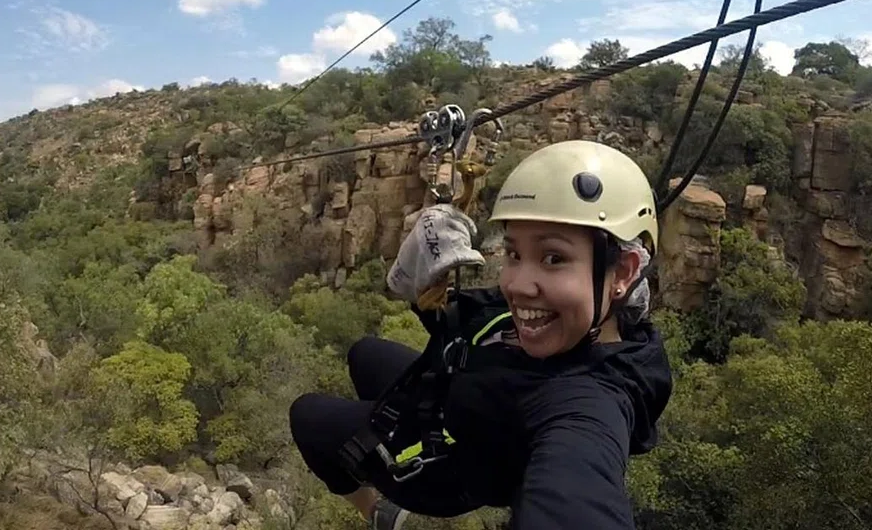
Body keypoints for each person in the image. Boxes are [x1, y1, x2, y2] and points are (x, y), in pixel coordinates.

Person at [289, 139, 674, 529]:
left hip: (448, 469)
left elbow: (576, 496)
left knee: (307, 415)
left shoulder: (588, 403)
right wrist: (432, 291)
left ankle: (377, 512)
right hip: (454, 401)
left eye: (553, 258)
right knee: (364, 352)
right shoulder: (573, 321)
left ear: (623, 273)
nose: (518, 284)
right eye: (514, 254)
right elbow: (480, 321)